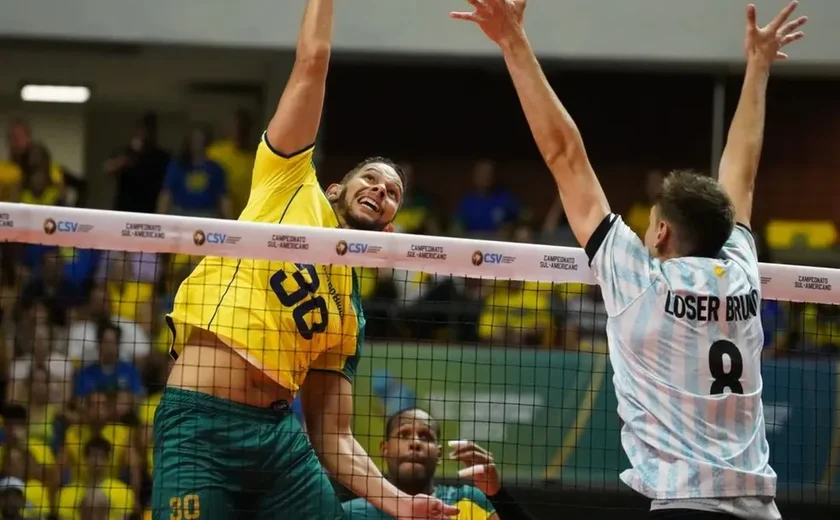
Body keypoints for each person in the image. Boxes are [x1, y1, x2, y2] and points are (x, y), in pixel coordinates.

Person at [452, 1, 806, 519]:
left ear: (661, 231)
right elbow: (742, 176)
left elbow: (565, 155)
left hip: (687, 505)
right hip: (762, 507)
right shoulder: (741, 272)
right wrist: (758, 68)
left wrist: (513, 42)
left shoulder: (642, 281)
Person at [154, 1, 458, 519]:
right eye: (372, 180)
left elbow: (333, 436)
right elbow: (312, 62)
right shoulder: (290, 183)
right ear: (339, 187)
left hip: (278, 442)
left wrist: (402, 506)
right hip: (201, 425)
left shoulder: (349, 316)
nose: (382, 191)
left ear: (388, 227)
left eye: (392, 194)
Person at [343, 408, 535, 520]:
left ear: (439, 454)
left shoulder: (469, 501)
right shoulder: (352, 513)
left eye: (425, 436)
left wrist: (497, 492)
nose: (415, 442)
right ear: (385, 449)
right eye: (404, 434)